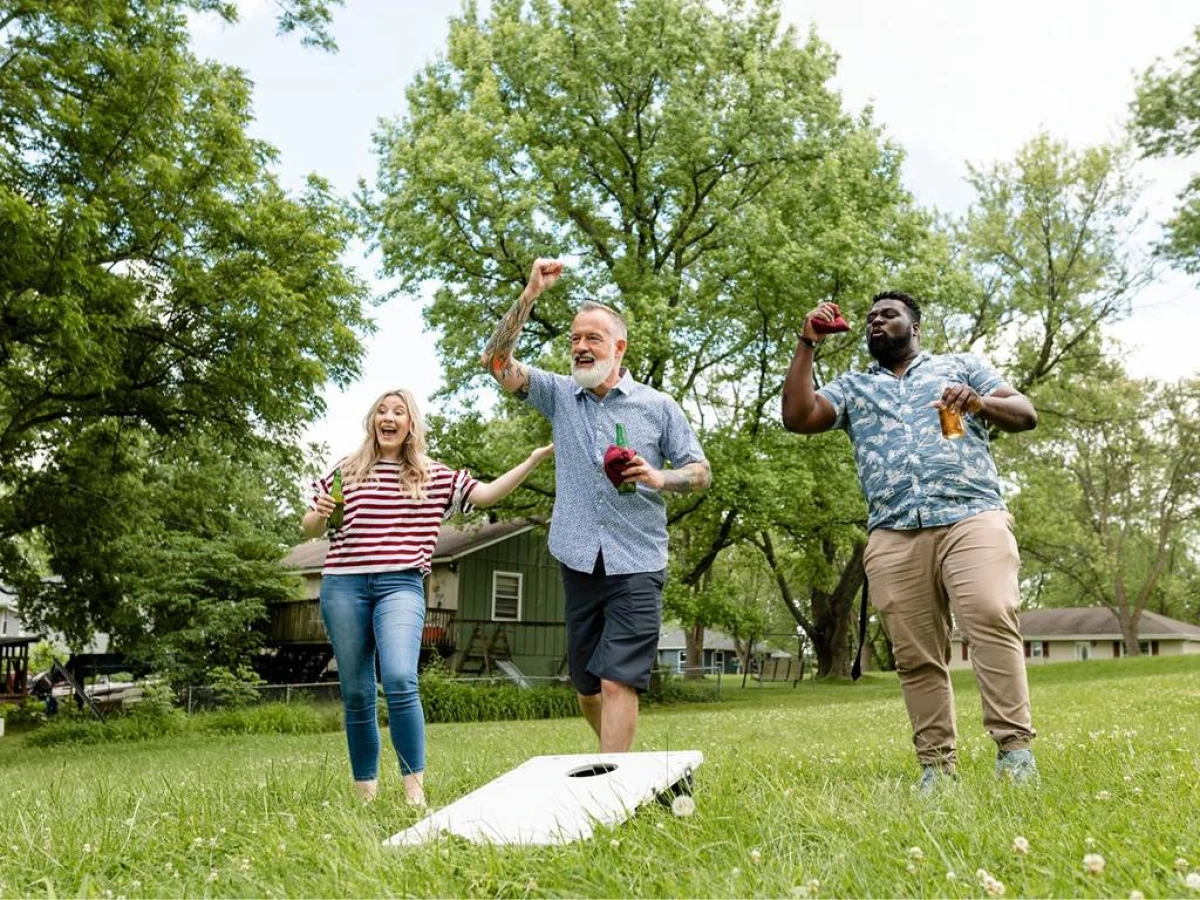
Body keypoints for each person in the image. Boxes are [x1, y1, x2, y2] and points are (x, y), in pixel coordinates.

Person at [781, 291, 1040, 791]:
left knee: (989, 612)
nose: (877, 321)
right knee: (915, 654)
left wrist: (979, 402)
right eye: (872, 317)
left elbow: (1025, 413)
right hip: (895, 532)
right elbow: (798, 417)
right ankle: (937, 769)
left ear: (915, 327)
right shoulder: (854, 387)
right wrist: (807, 342)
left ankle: (1015, 753)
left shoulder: (960, 366)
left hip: (972, 516)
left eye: (889, 315)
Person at [481, 259, 711, 753]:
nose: (581, 348)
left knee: (616, 681)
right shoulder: (560, 396)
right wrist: (529, 295)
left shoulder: (657, 406)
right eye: (575, 340)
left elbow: (701, 472)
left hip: (638, 560)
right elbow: (497, 363)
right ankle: (621, 762)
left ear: (619, 348)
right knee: (587, 690)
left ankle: (613, 786)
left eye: (593, 339)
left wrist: (659, 476)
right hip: (579, 557)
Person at [302, 388, 552, 804]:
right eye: (381, 410)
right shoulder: (347, 469)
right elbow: (311, 527)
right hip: (343, 585)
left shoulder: (434, 476)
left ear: (410, 424)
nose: (388, 417)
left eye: (398, 411)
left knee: (400, 677)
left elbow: (487, 494)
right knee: (358, 691)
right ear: (372, 421)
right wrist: (321, 512)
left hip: (401, 584)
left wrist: (530, 461)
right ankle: (365, 795)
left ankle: (413, 795)